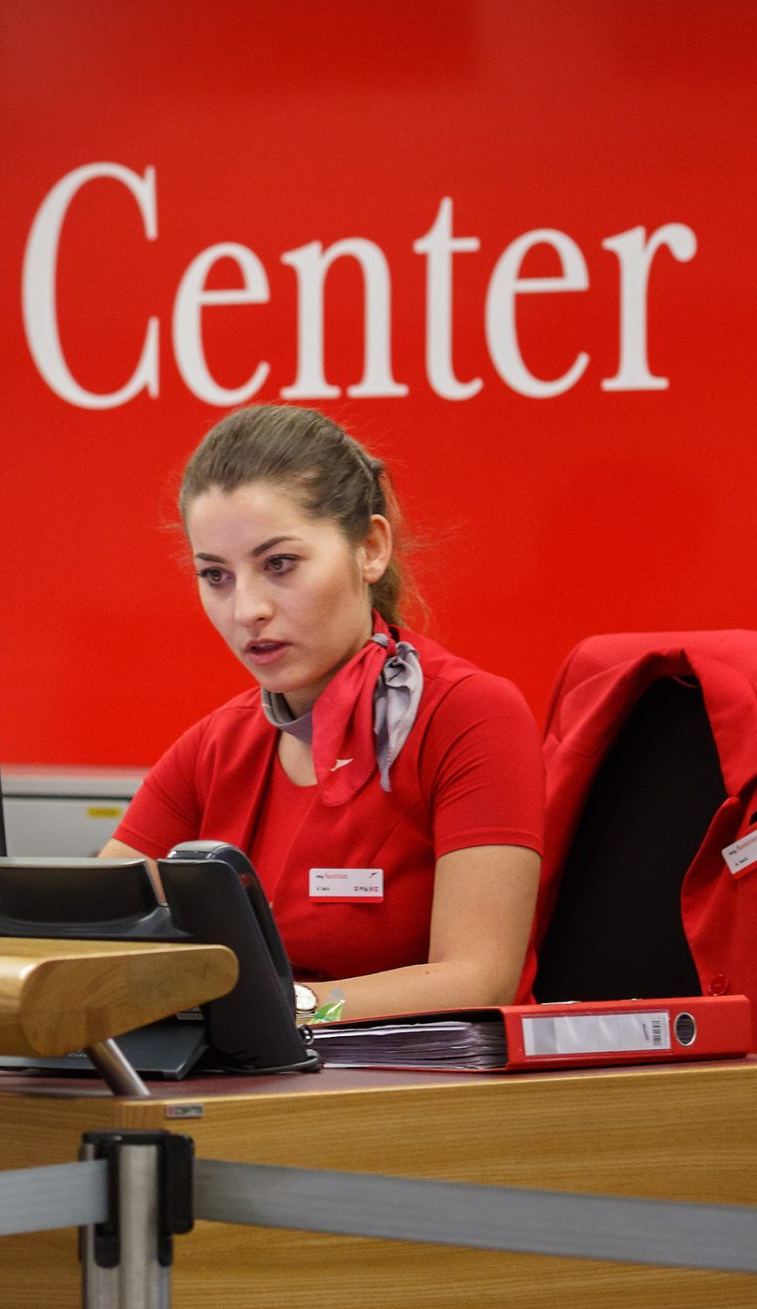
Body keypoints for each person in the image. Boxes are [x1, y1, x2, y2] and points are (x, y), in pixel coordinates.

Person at [104, 404, 544, 1025]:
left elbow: (479, 979)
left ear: (370, 548)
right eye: (215, 575)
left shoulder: (471, 715)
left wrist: (283, 1007)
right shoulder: (216, 745)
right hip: (248, 1086)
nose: (246, 608)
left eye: (279, 564)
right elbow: (88, 931)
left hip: (422, 1102)